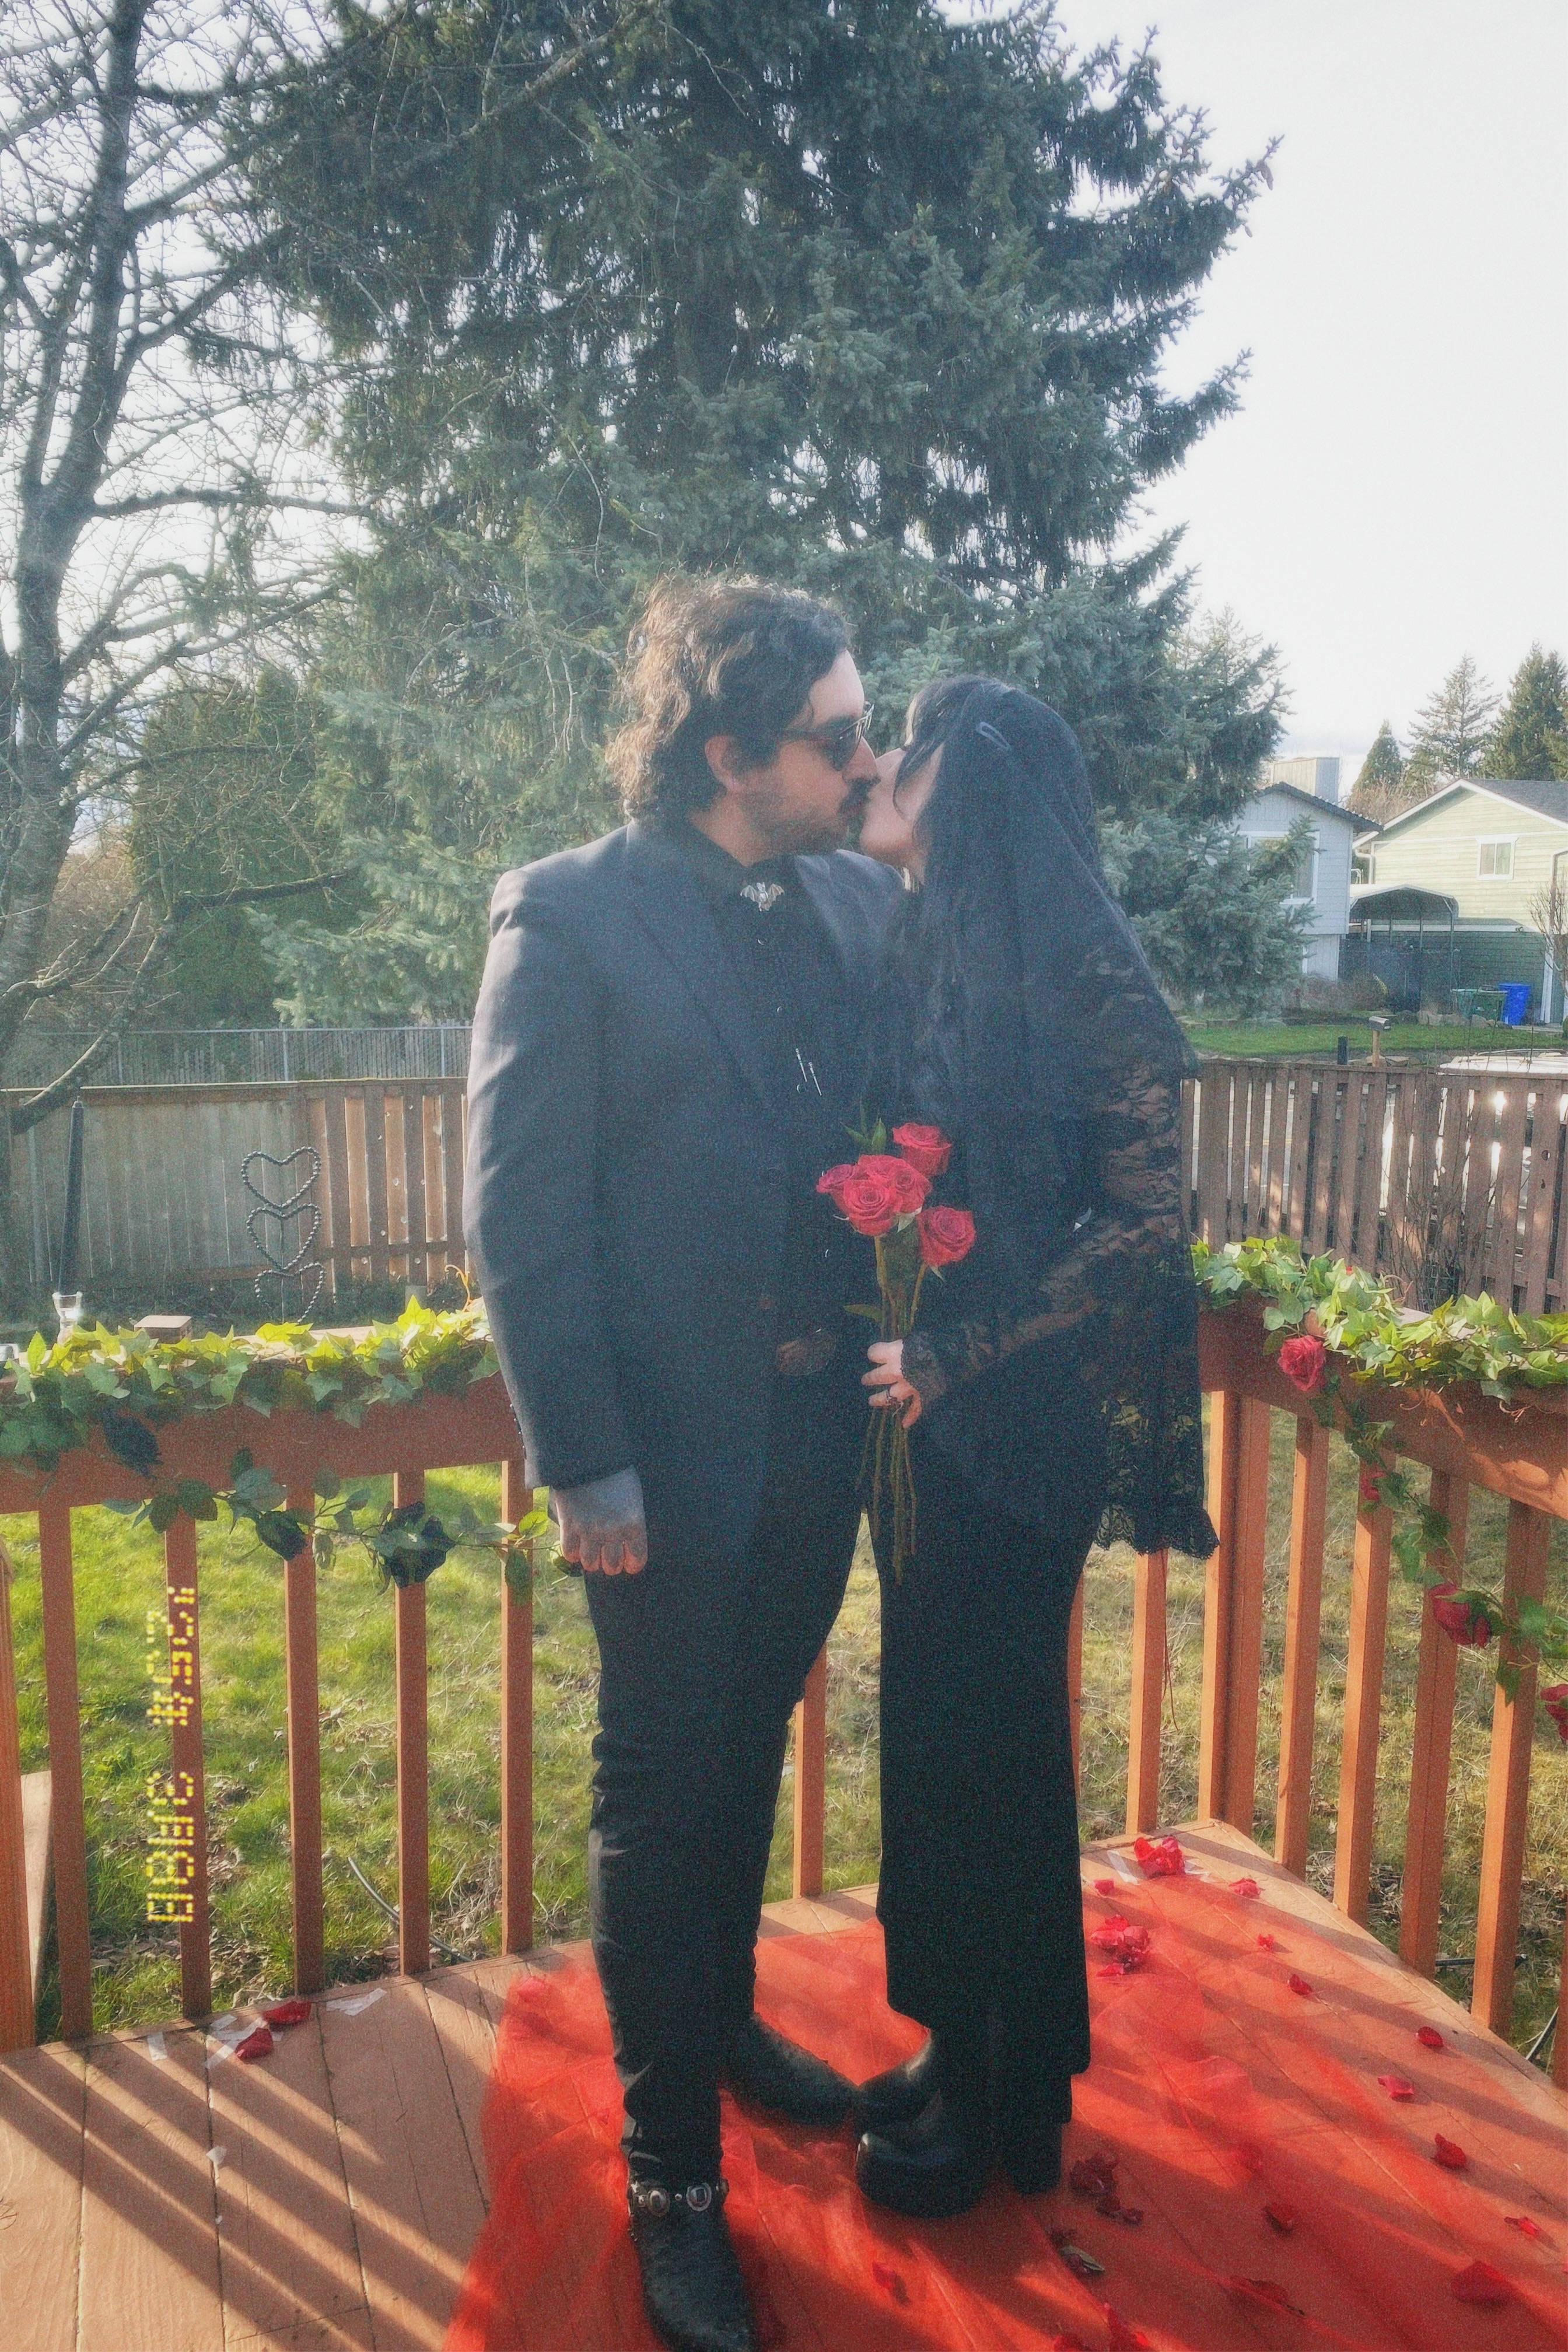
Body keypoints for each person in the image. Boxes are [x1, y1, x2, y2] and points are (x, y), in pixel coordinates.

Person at [464, 577, 899, 2352]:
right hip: (658, 1457)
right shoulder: (569, 915)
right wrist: (586, 1466)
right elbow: (522, 1218)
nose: (869, 759)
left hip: (823, 1431)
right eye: (839, 736)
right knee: (662, 1790)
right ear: (729, 754)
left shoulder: (858, 896)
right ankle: (670, 2180)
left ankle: (718, 2022)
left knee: (752, 1741)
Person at [847, 676, 1217, 2220]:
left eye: (906, 741)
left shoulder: (1085, 968)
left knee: (990, 1753)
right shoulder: (931, 945)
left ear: (974, 778)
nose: (878, 760)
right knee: (934, 1740)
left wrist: (956, 1350)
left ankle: (1005, 2088)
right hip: (929, 1425)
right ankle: (965, 2053)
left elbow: (1142, 1222)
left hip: (1018, 1424)